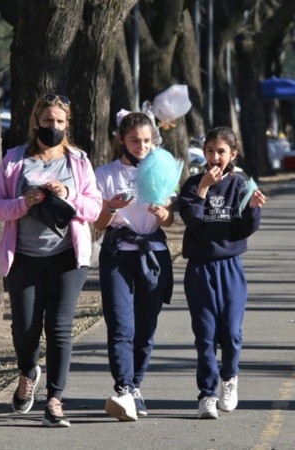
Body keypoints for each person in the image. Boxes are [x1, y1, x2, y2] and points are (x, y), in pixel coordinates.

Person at [0, 94, 102, 427]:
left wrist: (68, 196)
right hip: (23, 257)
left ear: (68, 125)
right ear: (36, 121)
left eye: (60, 122)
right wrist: (25, 201)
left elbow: (94, 208)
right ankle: (28, 372)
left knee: (60, 328)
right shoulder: (13, 160)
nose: (54, 127)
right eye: (48, 120)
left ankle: (55, 399)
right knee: (25, 330)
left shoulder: (78, 161)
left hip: (67, 257)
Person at [178, 126, 266, 419]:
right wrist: (202, 188)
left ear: (233, 155)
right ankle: (207, 393)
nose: (215, 157)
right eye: (210, 151)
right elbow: (192, 220)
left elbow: (244, 229)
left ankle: (229, 378)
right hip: (200, 268)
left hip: (230, 267)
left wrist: (253, 209)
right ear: (203, 152)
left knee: (230, 331)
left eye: (222, 152)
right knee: (205, 334)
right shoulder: (192, 184)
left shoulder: (241, 186)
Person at [94, 112, 175, 421]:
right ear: (121, 140)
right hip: (117, 253)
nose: (141, 146)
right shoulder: (105, 174)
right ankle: (123, 388)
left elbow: (169, 217)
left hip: (152, 253)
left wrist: (164, 213)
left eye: (146, 141)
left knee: (146, 326)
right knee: (120, 324)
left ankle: (136, 384)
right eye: (134, 140)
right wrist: (113, 206)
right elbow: (99, 224)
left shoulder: (161, 168)